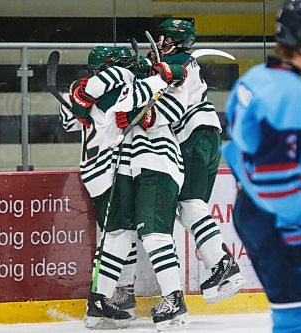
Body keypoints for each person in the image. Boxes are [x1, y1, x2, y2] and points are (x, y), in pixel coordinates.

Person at [223, 1, 301, 332]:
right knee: (300, 317)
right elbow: (276, 178)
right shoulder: (291, 94)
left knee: (295, 306)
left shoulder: (253, 79)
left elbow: (237, 153)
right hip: (277, 216)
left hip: (250, 208)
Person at [64, 46, 190, 330]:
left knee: (120, 236)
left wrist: (80, 97)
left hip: (111, 169)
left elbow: (68, 116)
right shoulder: (117, 86)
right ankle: (104, 301)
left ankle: (99, 302)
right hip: (110, 171)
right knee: (120, 236)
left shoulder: (82, 90)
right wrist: (160, 76)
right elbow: (130, 96)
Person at [153, 18, 246, 304]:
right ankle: (220, 264)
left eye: (165, 38)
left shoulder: (179, 63)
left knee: (190, 205)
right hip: (206, 137)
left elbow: (168, 99)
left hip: (194, 138)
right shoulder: (183, 62)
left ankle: (222, 264)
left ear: (177, 41)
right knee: (189, 207)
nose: (160, 43)